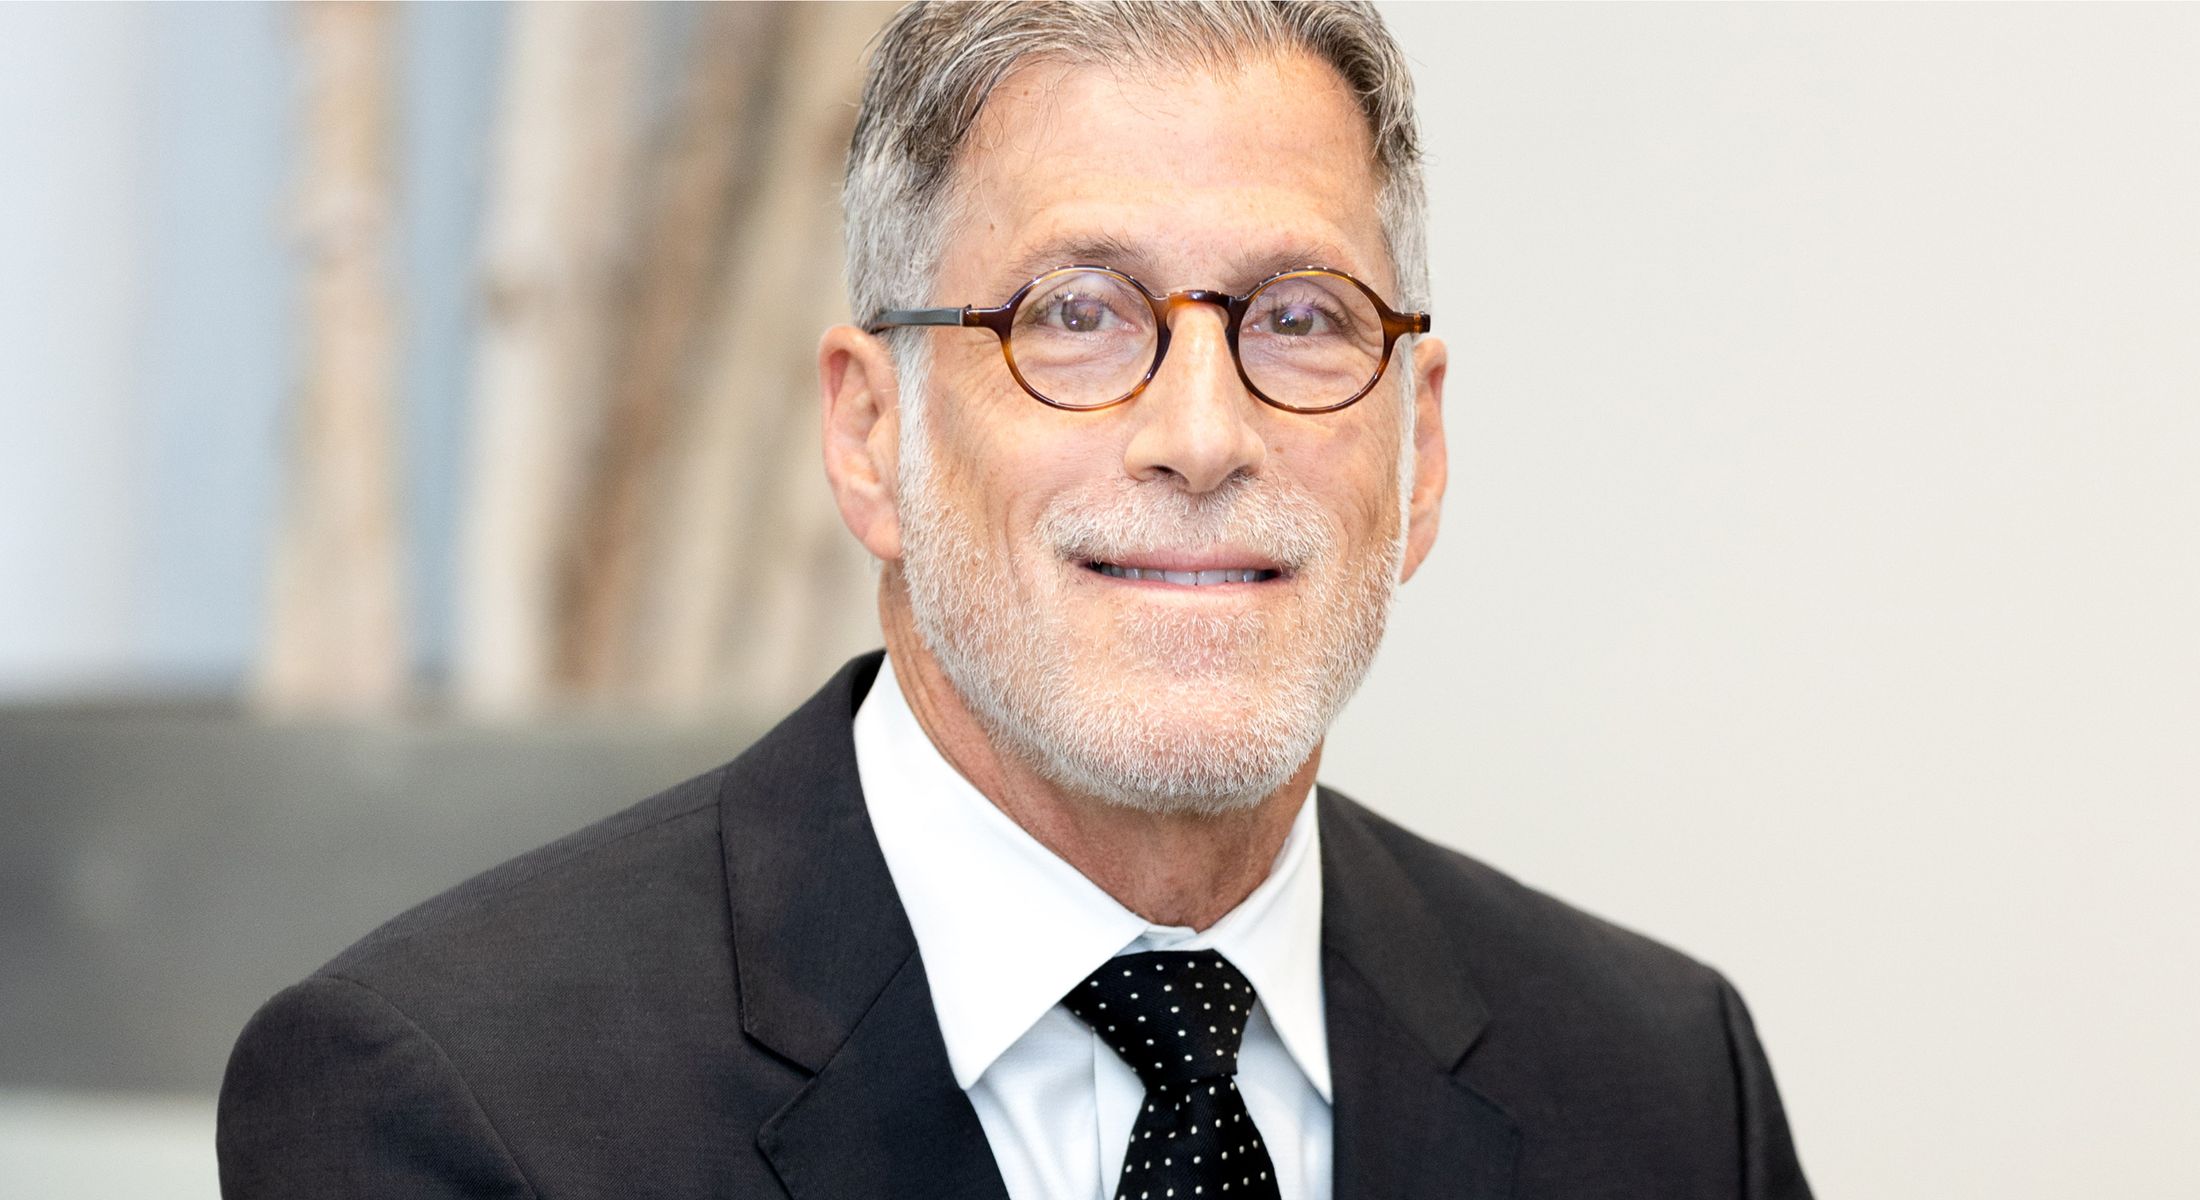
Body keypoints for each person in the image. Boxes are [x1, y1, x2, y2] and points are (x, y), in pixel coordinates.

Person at [217, 4, 1812, 1198]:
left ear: (1425, 446)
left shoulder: (1663, 1087)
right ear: (869, 435)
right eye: (1077, 316)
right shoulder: (452, 1101)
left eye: (1306, 318)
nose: (1203, 434)